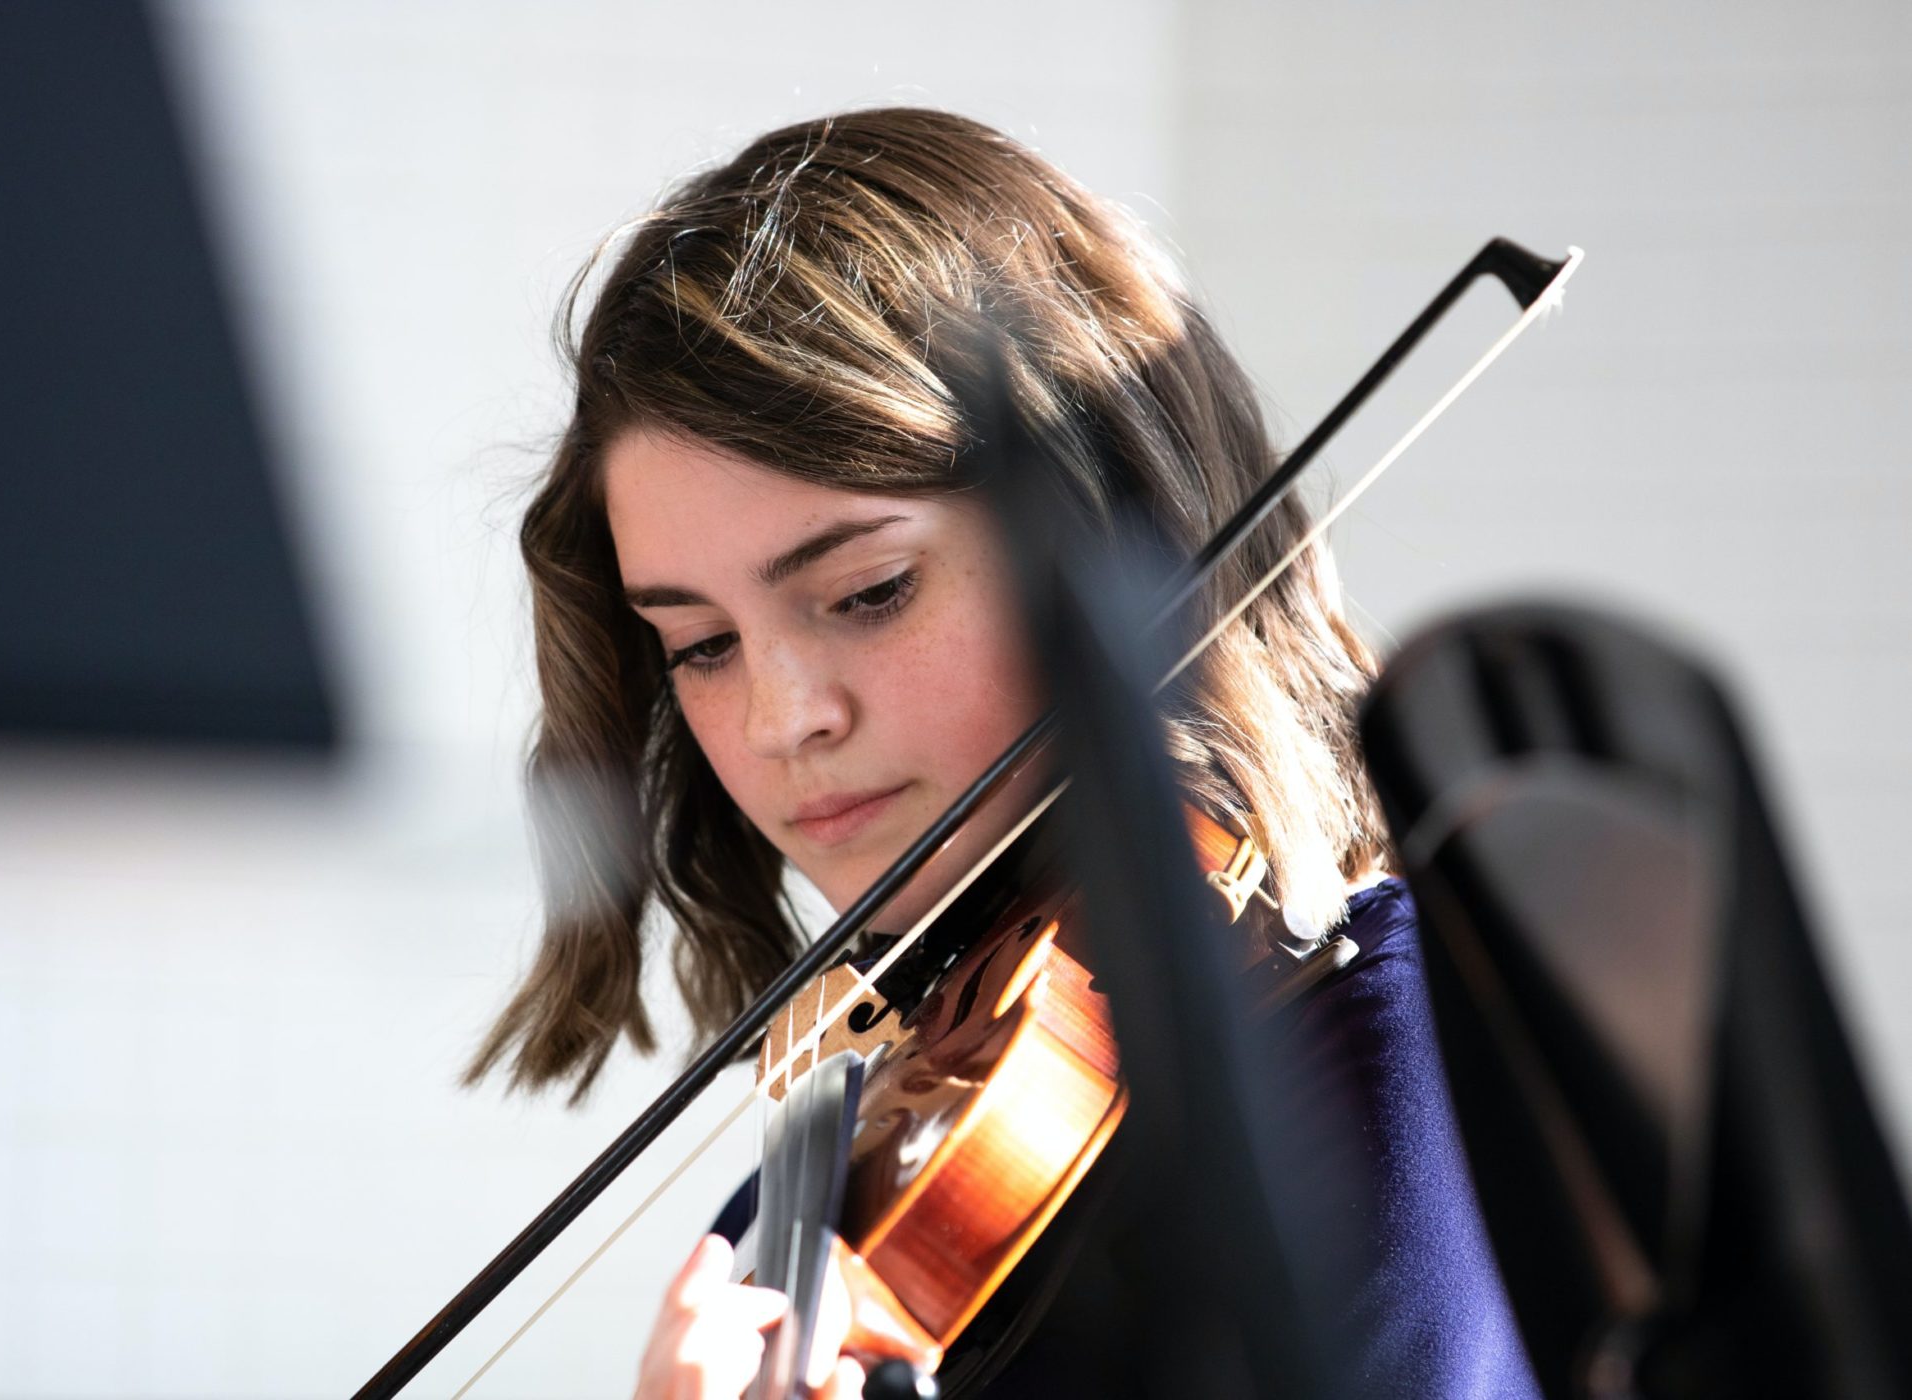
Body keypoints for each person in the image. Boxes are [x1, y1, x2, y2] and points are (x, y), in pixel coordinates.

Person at [465, 107, 1537, 1398]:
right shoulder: (862, 1164)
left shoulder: (1394, 1102)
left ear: (1109, 545)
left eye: (867, 593)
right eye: (700, 645)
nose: (779, 718)